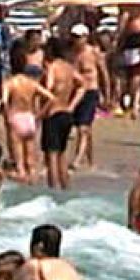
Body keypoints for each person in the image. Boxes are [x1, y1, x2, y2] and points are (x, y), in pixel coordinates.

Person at [2, 49, 55, 182]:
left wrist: (7, 116)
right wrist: (40, 115)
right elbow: (51, 98)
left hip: (16, 117)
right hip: (30, 118)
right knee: (31, 162)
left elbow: (4, 101)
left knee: (20, 164)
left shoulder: (10, 83)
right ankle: (32, 188)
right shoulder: (31, 83)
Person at [40, 37, 81, 190]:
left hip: (53, 113)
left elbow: (50, 88)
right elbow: (82, 84)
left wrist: (40, 112)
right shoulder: (69, 68)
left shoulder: (53, 67)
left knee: (51, 155)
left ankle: (53, 190)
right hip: (66, 113)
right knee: (62, 155)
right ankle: (65, 189)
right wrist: (72, 104)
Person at [68, 24, 109, 170]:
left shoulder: (93, 53)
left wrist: (107, 96)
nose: (76, 40)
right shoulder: (71, 53)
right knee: (86, 128)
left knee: (83, 128)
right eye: (74, 37)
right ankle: (91, 160)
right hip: (76, 93)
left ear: (86, 37)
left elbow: (104, 73)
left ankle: (77, 160)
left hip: (91, 91)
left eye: (79, 37)